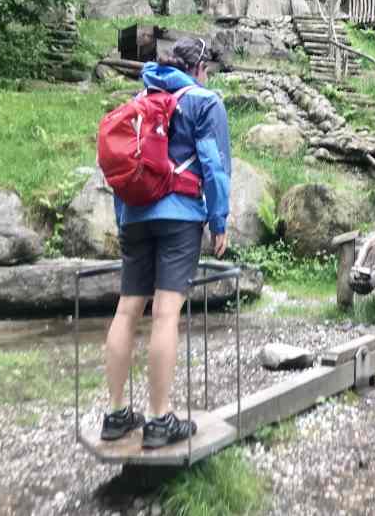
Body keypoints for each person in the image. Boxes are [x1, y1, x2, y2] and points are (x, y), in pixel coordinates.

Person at [100, 37, 231, 448]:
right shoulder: (204, 101)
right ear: (198, 68)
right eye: (206, 68)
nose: (207, 75)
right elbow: (214, 165)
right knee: (165, 314)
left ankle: (117, 414)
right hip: (179, 217)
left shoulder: (142, 96)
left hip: (134, 215)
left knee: (126, 311)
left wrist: (126, 217)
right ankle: (160, 419)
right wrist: (219, 220)